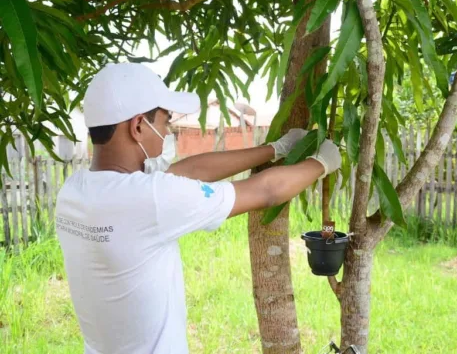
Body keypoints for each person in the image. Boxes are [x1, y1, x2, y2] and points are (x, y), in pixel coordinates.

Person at [55, 63, 341, 354]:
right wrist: (321, 162)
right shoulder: (150, 199)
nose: (167, 132)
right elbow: (265, 191)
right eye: (165, 121)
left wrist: (275, 148)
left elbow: (188, 171)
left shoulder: (74, 192)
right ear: (138, 126)